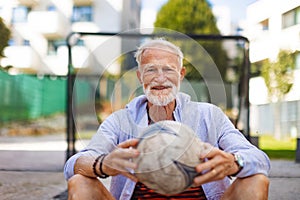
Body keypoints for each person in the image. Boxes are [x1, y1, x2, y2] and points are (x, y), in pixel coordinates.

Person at [64, 39, 270, 200]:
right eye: (151, 69)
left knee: (256, 180)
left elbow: (260, 160)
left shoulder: (209, 115)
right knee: (80, 182)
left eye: (168, 69)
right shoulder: (119, 121)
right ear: (140, 77)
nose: (160, 78)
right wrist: (102, 164)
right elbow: (73, 165)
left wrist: (235, 162)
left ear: (181, 74)